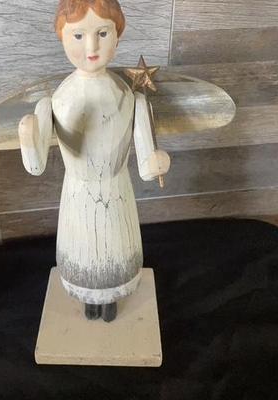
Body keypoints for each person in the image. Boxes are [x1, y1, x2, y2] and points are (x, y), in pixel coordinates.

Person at [18, 0, 170, 322]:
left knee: (115, 254)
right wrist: (29, 140)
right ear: (62, 36)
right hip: (78, 198)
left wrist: (156, 162)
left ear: (117, 34)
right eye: (78, 36)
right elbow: (36, 165)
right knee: (83, 256)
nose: (91, 47)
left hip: (117, 193)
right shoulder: (56, 100)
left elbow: (146, 163)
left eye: (102, 33)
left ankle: (111, 300)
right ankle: (88, 299)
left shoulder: (130, 97)